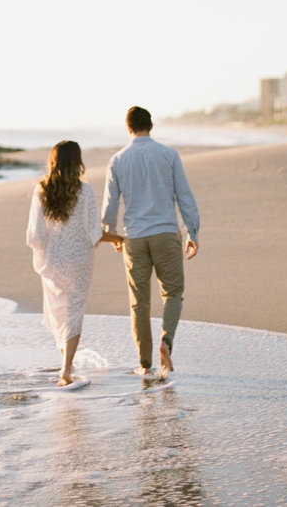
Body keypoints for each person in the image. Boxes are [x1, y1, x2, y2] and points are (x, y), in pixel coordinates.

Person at [101, 106, 200, 377]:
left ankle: (144, 364)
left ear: (128, 127)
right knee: (173, 293)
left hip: (134, 237)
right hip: (166, 233)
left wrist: (110, 234)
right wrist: (193, 233)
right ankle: (166, 341)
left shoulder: (118, 159)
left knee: (139, 302)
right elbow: (184, 196)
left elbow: (110, 203)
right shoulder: (168, 155)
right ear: (151, 126)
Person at [26, 140, 123, 386]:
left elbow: (35, 235)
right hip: (79, 260)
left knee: (59, 312)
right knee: (74, 311)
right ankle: (66, 370)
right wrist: (117, 238)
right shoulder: (85, 190)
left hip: (53, 260)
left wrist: (45, 254)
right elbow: (94, 232)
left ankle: (66, 366)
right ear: (77, 162)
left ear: (53, 161)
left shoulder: (41, 189)